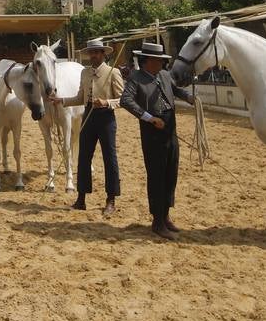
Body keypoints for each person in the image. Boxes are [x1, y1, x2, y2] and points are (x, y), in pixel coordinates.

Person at [119, 41, 196, 241]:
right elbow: (125, 101)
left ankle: (166, 215)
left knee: (171, 172)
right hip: (152, 131)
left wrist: (188, 97)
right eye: (159, 60)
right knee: (157, 176)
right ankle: (157, 221)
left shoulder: (164, 75)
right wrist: (148, 117)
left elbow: (175, 90)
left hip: (170, 128)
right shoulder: (135, 79)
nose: (162, 63)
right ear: (148, 61)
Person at [52, 39, 124, 216]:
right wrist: (62, 100)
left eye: (96, 52)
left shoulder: (113, 72)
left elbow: (123, 100)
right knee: (83, 157)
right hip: (88, 116)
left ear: (103, 54)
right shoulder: (84, 73)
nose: (93, 56)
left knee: (110, 158)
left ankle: (111, 200)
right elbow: (79, 97)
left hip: (106, 118)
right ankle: (81, 199)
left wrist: (107, 102)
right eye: (91, 53)